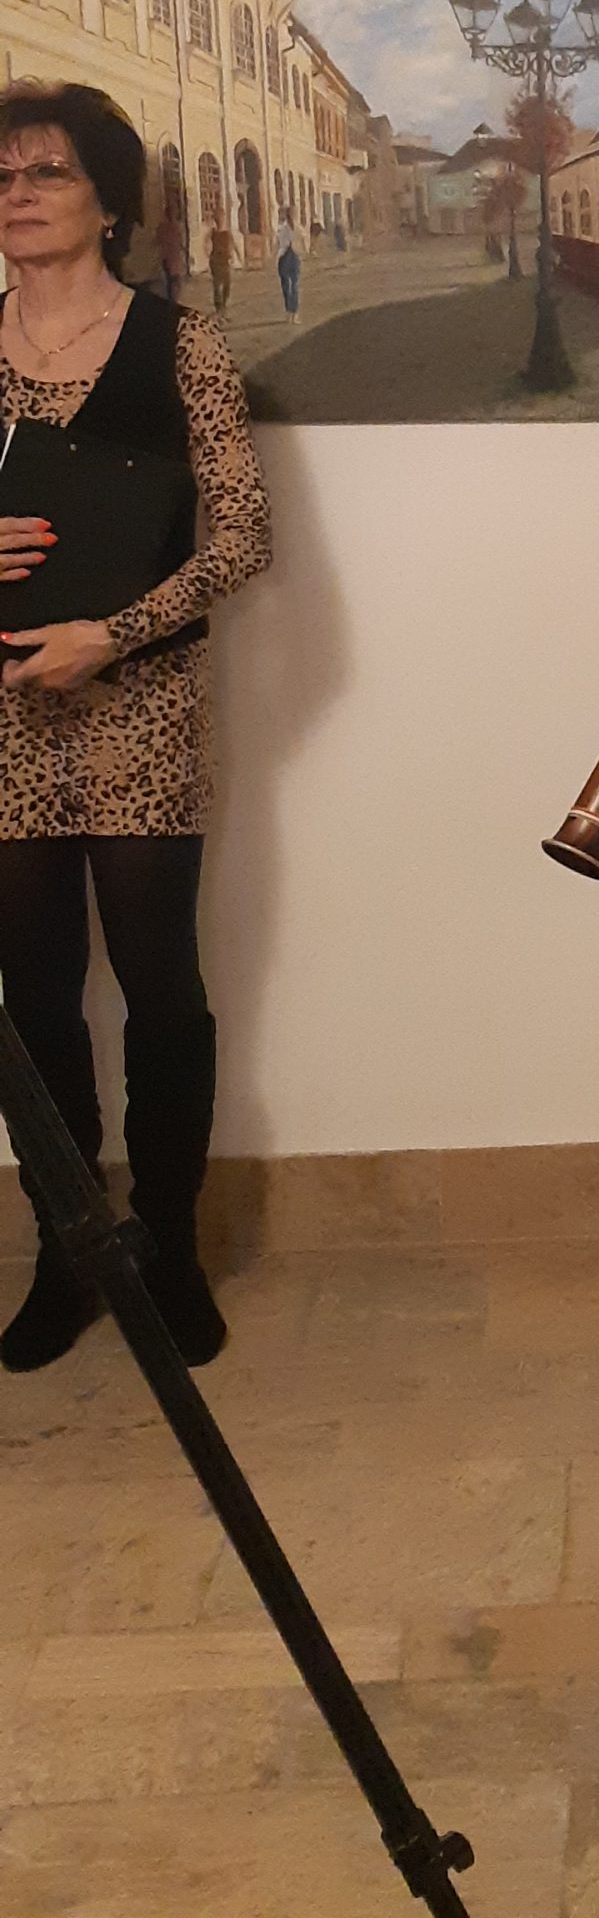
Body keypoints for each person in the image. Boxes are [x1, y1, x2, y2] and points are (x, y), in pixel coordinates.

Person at [0, 82, 272, 1373]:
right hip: (5, 719)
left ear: (110, 202)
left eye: (47, 172)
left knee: (161, 989)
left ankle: (166, 1248)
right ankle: (70, 1251)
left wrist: (112, 633)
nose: (18, 194)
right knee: (33, 998)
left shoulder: (182, 347)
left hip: (143, 712)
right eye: (3, 176)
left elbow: (245, 536)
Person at [274, 210, 300, 321]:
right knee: (287, 286)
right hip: (285, 256)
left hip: (293, 256)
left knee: (293, 285)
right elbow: (278, 243)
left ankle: (293, 312)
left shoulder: (297, 228)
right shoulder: (282, 228)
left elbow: (302, 241)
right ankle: (290, 311)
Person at [206, 220, 234, 316]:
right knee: (217, 284)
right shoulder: (213, 232)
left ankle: (224, 304)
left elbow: (232, 245)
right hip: (216, 260)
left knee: (227, 283)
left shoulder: (227, 233)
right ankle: (218, 306)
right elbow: (206, 243)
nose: (220, 221)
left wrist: (235, 256)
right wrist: (207, 253)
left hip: (225, 260)